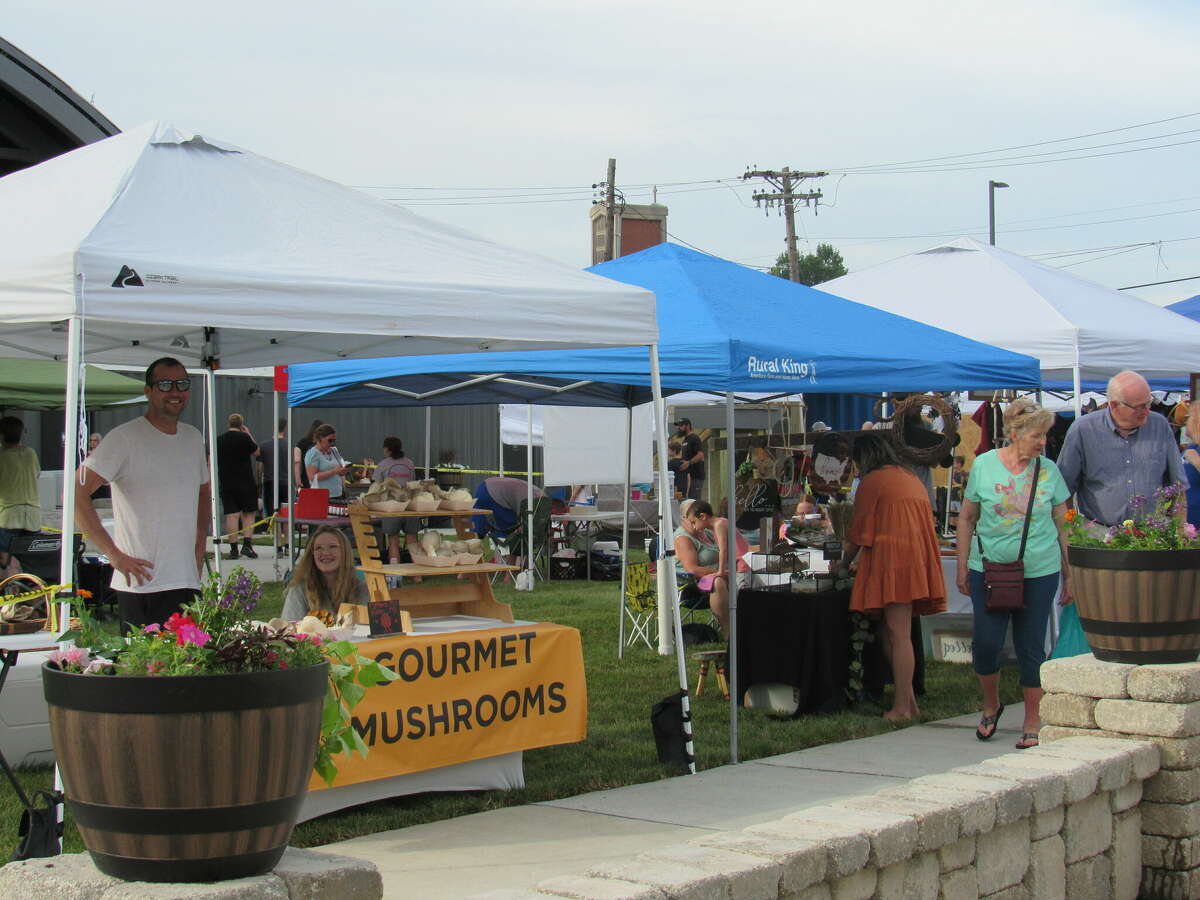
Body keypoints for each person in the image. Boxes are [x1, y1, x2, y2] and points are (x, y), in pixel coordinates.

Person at [956, 398, 1072, 751]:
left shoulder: (1049, 471)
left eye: (1045, 436)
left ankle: (1032, 718)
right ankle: (991, 705)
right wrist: (962, 564)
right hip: (989, 568)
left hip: (1039, 569)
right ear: (1015, 433)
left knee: (1031, 645)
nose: (1043, 443)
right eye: (1037, 436)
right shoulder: (985, 466)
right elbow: (967, 517)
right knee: (986, 644)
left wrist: (1071, 573)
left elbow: (1063, 523)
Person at [76, 357, 211, 632]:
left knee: (187, 671)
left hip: (185, 580)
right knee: (142, 673)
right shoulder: (124, 438)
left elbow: (203, 493)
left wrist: (199, 548)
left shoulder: (193, 438)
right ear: (148, 391)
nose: (175, 392)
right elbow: (77, 494)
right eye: (165, 384)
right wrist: (113, 554)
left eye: (182, 384)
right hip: (141, 583)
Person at [839, 433, 945, 722]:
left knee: (898, 635)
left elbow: (858, 534)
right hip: (915, 559)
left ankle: (902, 708)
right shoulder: (908, 476)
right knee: (893, 633)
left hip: (896, 562)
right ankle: (908, 699)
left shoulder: (872, 482)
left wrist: (842, 564)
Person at [1058, 370, 1188, 526]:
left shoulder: (1159, 426)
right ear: (1114, 405)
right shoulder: (1083, 430)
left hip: (1152, 535)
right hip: (1098, 536)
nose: (1147, 411)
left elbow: (1179, 486)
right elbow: (1062, 490)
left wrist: (1180, 531)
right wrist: (1071, 532)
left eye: (1148, 403)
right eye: (1139, 407)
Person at [281, 526, 369, 621]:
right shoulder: (299, 590)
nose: (326, 553)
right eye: (318, 548)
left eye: (333, 546)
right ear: (312, 554)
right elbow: (290, 629)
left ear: (344, 552)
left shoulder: (362, 589)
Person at [216, 413, 259, 560]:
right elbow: (257, 452)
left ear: (229, 423)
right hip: (245, 481)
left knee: (231, 515)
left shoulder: (219, 439)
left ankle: (233, 549)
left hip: (227, 481)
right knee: (248, 513)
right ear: (241, 424)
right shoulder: (244, 438)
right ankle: (247, 545)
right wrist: (248, 434)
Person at [0, 416, 41, 572]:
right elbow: (37, 474)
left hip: (8, 515)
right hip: (33, 515)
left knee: (5, 557)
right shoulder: (31, 453)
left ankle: (11, 586)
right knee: (30, 558)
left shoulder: (2, 456)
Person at [375, 436, 420, 566]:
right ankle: (417, 575)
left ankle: (395, 573)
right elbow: (412, 483)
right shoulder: (410, 463)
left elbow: (376, 487)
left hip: (391, 507)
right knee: (412, 541)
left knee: (393, 541)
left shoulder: (383, 464)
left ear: (387, 449)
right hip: (409, 506)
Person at [472, 476, 544, 539]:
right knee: (508, 529)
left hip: (486, 486)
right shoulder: (539, 500)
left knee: (491, 523)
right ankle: (506, 551)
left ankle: (479, 536)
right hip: (496, 494)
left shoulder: (537, 494)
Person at [258, 419, 287, 554]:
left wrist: (259, 481)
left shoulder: (264, 446)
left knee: (274, 515)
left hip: (270, 482)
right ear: (285, 428)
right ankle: (288, 543)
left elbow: (260, 467)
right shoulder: (289, 445)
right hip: (286, 482)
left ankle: (278, 545)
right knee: (287, 514)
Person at [304, 424, 349, 501]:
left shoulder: (334, 450)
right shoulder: (313, 454)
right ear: (321, 438)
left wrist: (344, 470)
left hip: (338, 494)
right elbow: (312, 477)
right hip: (322, 497)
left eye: (334, 440)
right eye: (330, 440)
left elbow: (340, 470)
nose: (332, 443)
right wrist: (334, 471)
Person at [674, 418, 706, 501]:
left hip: (696, 476)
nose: (679, 428)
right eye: (678, 426)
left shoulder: (694, 438)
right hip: (688, 477)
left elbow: (701, 454)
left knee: (694, 501)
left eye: (681, 425)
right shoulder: (685, 440)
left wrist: (689, 463)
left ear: (688, 426)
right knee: (688, 501)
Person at [294, 418, 323, 490]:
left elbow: (297, 461)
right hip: (321, 480)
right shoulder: (323, 443)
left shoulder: (302, 442)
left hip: (306, 479)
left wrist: (298, 480)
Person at [1184, 404, 1200, 530]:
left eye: (1188, 417)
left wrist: (1197, 462)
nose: (1185, 421)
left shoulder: (1194, 454)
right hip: (1188, 526)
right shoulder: (1191, 448)